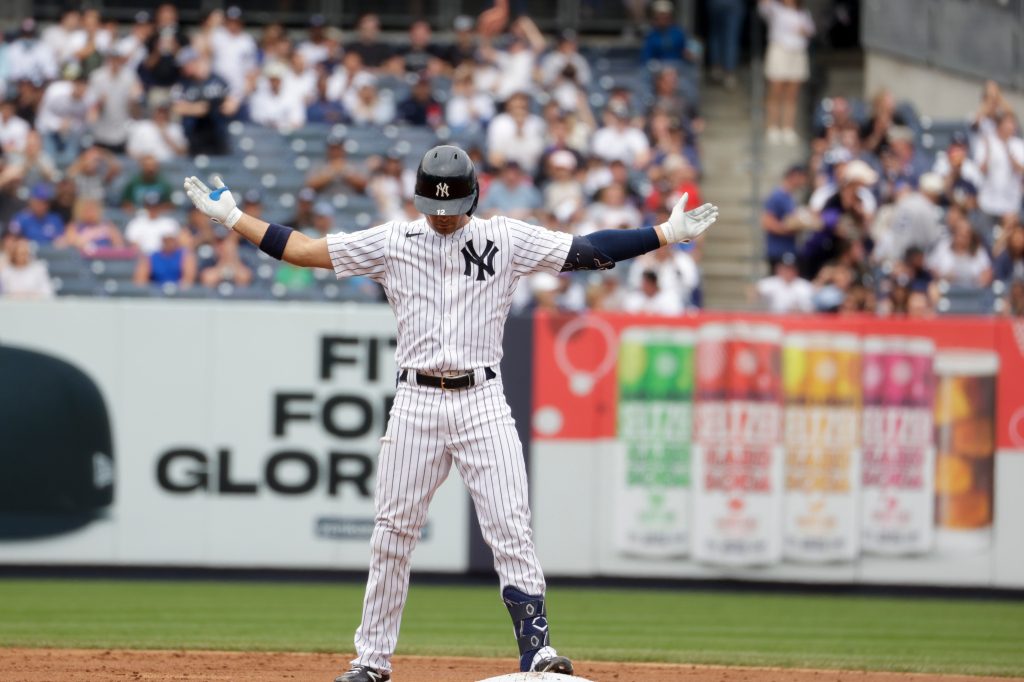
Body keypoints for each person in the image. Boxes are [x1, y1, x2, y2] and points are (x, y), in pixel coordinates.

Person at [183, 144, 718, 682]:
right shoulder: (394, 240)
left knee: (510, 526)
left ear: (473, 197)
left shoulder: (504, 237)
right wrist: (232, 218)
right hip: (415, 400)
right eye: (431, 205)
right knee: (392, 532)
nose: (440, 216)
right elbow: (301, 250)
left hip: (482, 397)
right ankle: (371, 660)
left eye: (450, 205)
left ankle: (537, 651)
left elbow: (587, 249)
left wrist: (664, 235)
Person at [759, 0, 815, 145]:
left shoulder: (803, 13)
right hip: (780, 51)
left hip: (797, 53)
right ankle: (772, 127)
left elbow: (810, 31)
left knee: (792, 94)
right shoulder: (775, 9)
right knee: (775, 91)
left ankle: (788, 128)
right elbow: (763, 6)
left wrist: (804, 31)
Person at [975, 112, 1024, 225]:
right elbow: (981, 170)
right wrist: (987, 151)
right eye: (1009, 123)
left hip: (1010, 204)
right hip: (987, 202)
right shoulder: (986, 142)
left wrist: (1009, 153)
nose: (1013, 126)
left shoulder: (1019, 145)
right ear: (999, 124)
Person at [761, 164, 810, 268]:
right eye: (802, 177)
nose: (803, 181)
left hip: (788, 249)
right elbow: (767, 221)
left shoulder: (790, 197)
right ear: (794, 176)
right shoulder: (778, 196)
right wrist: (787, 229)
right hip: (778, 251)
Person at [60, 197, 126, 254]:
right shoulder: (74, 227)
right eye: (87, 209)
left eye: (93, 209)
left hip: (105, 261)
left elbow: (119, 247)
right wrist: (88, 237)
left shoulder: (108, 227)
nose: (90, 213)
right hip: (81, 263)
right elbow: (67, 242)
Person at [706, 0, 746, 89]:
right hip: (733, 3)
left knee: (716, 34)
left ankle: (716, 68)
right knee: (731, 37)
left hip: (716, 3)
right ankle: (729, 73)